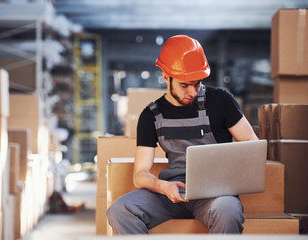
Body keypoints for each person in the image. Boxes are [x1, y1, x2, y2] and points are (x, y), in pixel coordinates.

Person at [106, 35, 258, 234]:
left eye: (196, 84)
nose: (192, 92)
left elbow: (251, 146)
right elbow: (140, 175)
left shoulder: (221, 101)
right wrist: (163, 187)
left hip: (215, 195)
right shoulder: (151, 115)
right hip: (170, 193)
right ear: (166, 76)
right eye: (184, 85)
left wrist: (228, 182)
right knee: (120, 210)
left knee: (227, 210)